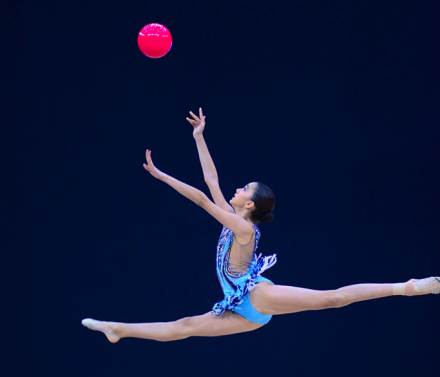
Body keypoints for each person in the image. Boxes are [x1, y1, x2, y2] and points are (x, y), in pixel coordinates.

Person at [82, 108, 439, 343]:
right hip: (238, 307)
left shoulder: (244, 230)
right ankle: (118, 330)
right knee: (185, 327)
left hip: (256, 296)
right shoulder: (235, 219)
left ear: (249, 204)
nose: (235, 190)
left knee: (332, 299)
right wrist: (199, 137)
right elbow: (211, 181)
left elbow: (204, 199)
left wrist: (161, 176)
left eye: (243, 190)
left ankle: (408, 287)